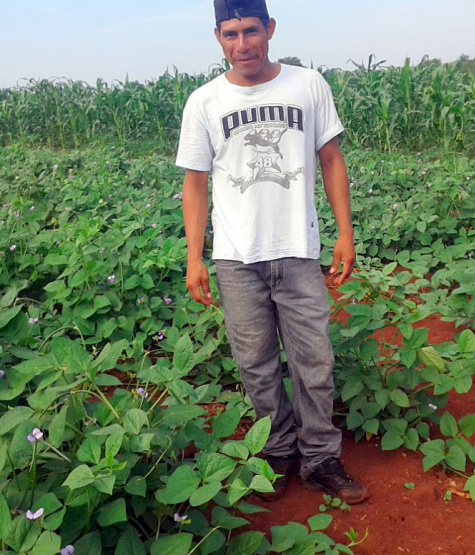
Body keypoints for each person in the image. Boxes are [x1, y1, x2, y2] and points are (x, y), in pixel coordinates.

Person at [175, 0, 368, 504]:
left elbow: (331, 158)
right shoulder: (204, 102)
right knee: (255, 363)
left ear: (271, 29)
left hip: (298, 250)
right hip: (237, 259)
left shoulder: (307, 85)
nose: (244, 45)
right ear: (218, 36)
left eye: (252, 31)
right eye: (232, 33)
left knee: (314, 361)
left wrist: (345, 233)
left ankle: (321, 456)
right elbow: (194, 184)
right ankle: (278, 449)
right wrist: (195, 257)